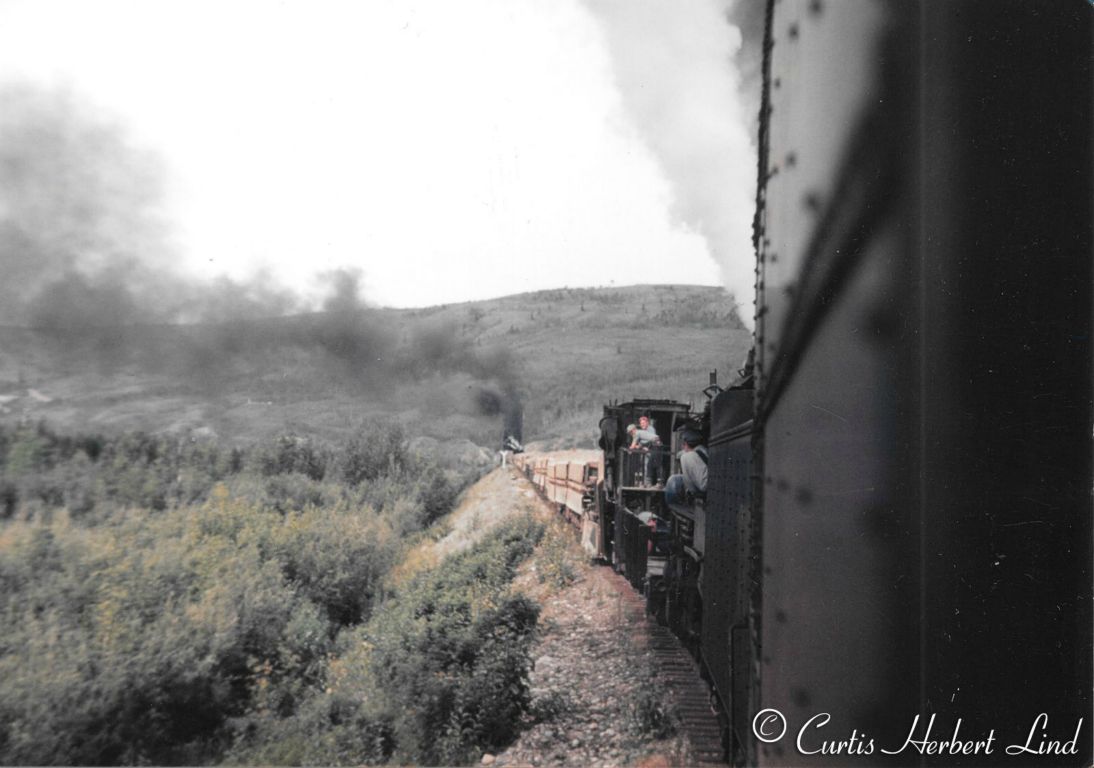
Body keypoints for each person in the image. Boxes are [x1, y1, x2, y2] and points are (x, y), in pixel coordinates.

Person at [664, 430, 708, 514]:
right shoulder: (701, 450)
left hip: (703, 498)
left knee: (673, 481)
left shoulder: (689, 456)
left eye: (683, 444)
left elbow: (704, 485)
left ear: (685, 444)